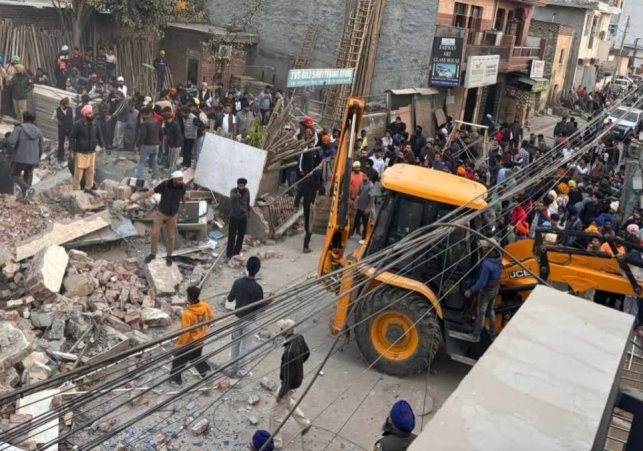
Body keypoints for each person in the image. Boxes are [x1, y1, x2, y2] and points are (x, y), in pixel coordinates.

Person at [269, 319, 311, 449]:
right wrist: (298, 366)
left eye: (281, 328)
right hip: (297, 380)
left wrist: (280, 394)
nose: (279, 330)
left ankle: (276, 443)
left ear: (284, 331)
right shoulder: (299, 337)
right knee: (288, 402)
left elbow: (287, 377)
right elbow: (307, 353)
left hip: (289, 384)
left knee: (274, 414)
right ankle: (304, 423)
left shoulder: (288, 352)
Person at [129, 171, 187, 266]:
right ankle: (153, 254)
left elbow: (184, 195)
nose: (181, 181)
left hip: (172, 215)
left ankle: (169, 256)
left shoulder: (183, 186)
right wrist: (136, 199)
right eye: (179, 180)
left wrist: (185, 206)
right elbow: (150, 192)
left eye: (182, 179)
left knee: (171, 237)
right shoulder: (165, 184)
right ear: (174, 179)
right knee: (154, 234)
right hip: (161, 213)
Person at [227, 256, 267, 378]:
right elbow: (261, 308)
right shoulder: (258, 288)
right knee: (246, 346)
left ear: (246, 267)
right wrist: (268, 302)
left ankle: (233, 369)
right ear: (258, 270)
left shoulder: (237, 282)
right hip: (249, 321)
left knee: (235, 344)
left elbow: (230, 299)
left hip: (237, 317)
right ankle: (242, 371)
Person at [168, 286, 214, 386]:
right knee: (195, 357)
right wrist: (203, 329)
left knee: (178, 360)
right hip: (201, 339)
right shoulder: (204, 306)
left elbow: (185, 334)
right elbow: (211, 318)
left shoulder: (188, 314)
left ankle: (175, 380)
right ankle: (205, 371)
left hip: (190, 342)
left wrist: (178, 346)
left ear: (188, 297)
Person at [464, 238, 502, 342]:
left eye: (484, 247)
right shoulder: (499, 255)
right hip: (495, 289)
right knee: (491, 311)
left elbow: (482, 283)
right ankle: (492, 335)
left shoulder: (487, 264)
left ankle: (476, 336)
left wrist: (470, 290)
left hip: (486, 291)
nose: (482, 248)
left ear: (489, 249)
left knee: (481, 313)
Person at [5, 111, 43, 201]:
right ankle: (26, 198)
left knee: (14, 174)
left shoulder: (19, 129)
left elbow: (11, 142)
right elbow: (41, 147)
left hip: (19, 158)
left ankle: (27, 188)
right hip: (33, 159)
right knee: (28, 175)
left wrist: (8, 153)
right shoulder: (38, 131)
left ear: (23, 118)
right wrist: (38, 158)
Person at [69, 105, 105, 191]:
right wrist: (72, 151)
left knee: (91, 171)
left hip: (91, 152)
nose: (91, 114)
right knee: (79, 173)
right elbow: (72, 138)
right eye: (89, 113)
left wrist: (103, 145)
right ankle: (76, 190)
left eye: (92, 112)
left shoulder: (95, 123)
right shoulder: (78, 124)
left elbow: (99, 135)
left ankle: (88, 187)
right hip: (81, 152)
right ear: (84, 115)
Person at [294, 168, 322, 253]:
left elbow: (299, 195)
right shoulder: (319, 186)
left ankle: (307, 232)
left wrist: (296, 205)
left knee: (307, 222)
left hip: (306, 206)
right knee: (310, 226)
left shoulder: (305, 183)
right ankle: (305, 246)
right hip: (313, 207)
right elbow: (323, 194)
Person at [227, 178, 250, 259]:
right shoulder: (233, 191)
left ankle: (236, 252)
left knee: (241, 236)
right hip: (234, 216)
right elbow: (232, 196)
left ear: (244, 186)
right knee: (231, 236)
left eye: (242, 186)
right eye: (239, 185)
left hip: (243, 216)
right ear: (237, 185)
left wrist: (248, 213)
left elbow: (247, 202)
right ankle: (229, 254)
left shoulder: (247, 191)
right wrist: (237, 196)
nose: (240, 187)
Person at [136, 107, 161, 181]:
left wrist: (138, 145)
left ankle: (139, 178)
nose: (142, 117)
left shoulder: (145, 123)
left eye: (142, 115)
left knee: (141, 162)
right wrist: (159, 142)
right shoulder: (157, 121)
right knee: (154, 162)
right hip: (156, 145)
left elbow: (142, 136)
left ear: (144, 114)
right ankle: (155, 177)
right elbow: (161, 133)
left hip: (146, 145)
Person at [351, 170, 373, 244]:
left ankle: (364, 238)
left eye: (365, 176)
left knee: (365, 223)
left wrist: (368, 208)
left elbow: (372, 199)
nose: (363, 177)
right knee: (356, 220)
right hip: (360, 206)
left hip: (365, 208)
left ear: (369, 177)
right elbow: (359, 194)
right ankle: (351, 233)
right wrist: (355, 201)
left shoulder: (371, 186)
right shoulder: (362, 183)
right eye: (363, 175)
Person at [52, 97, 74, 163]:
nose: (69, 104)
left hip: (70, 128)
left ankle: (72, 155)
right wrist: (58, 122)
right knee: (61, 143)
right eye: (67, 103)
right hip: (61, 129)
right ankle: (60, 157)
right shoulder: (57, 110)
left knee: (72, 142)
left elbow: (73, 117)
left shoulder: (70, 109)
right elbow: (52, 118)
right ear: (64, 104)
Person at [163, 107, 182, 172]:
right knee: (170, 160)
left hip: (175, 146)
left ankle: (172, 174)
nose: (168, 120)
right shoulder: (167, 124)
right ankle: (171, 172)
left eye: (169, 119)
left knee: (173, 161)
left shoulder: (175, 125)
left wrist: (175, 146)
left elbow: (178, 136)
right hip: (170, 144)